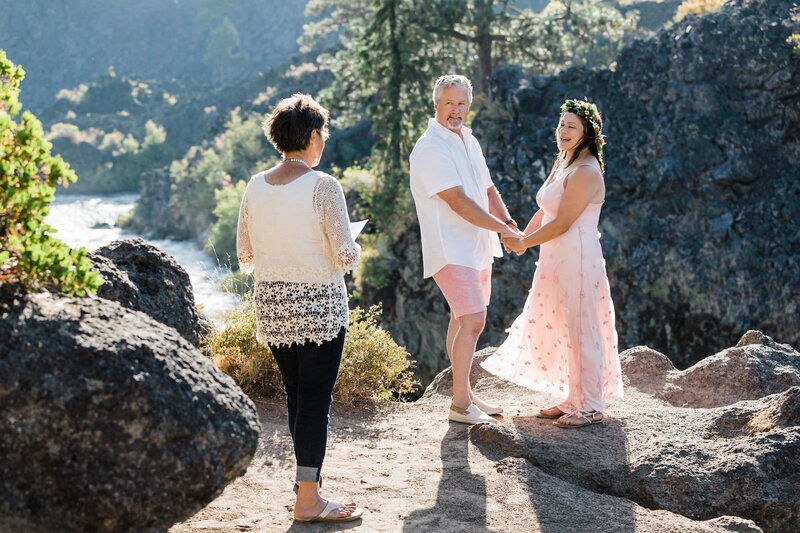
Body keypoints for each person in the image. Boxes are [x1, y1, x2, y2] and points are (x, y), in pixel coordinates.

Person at [236, 93, 364, 522]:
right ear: (312, 136)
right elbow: (346, 257)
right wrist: (354, 240)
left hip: (272, 303)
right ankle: (308, 498)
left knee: (297, 397)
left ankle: (306, 483)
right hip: (319, 307)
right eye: (322, 133)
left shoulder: (255, 185)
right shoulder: (324, 186)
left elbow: (245, 254)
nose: (322, 141)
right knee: (315, 401)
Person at [481, 99, 623, 428]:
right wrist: (519, 238)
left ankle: (591, 405)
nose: (563, 131)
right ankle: (573, 398)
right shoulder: (565, 162)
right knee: (563, 325)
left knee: (581, 326)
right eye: (561, 125)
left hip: (577, 256)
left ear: (588, 133)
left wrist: (525, 243)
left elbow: (564, 223)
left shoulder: (587, 170)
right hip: (555, 257)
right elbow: (547, 210)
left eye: (571, 127)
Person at [409, 74, 523, 426]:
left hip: (476, 246)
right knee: (474, 319)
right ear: (436, 105)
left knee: (461, 318)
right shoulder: (429, 148)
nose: (455, 110)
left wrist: (509, 225)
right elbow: (458, 202)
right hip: (450, 247)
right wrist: (502, 230)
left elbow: (487, 190)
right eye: (449, 103)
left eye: (461, 104)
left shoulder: (468, 140)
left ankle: (467, 396)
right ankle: (460, 405)